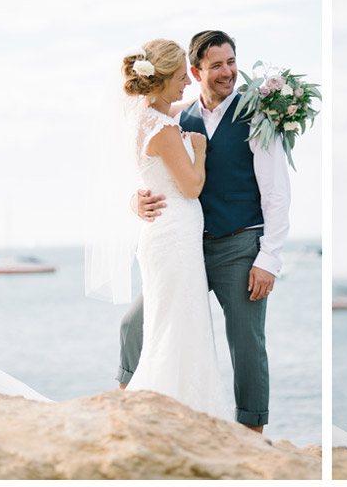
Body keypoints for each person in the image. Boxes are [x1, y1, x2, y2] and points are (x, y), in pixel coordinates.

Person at [121, 26, 290, 435]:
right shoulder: (178, 116)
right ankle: (121, 405)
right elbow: (155, 172)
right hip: (187, 248)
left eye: (231, 62)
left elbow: (276, 193)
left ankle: (251, 435)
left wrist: (268, 258)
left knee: (247, 344)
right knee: (134, 325)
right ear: (194, 72)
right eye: (216, 65)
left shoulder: (256, 115)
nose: (227, 72)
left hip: (239, 246)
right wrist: (135, 201)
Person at [115, 37, 226, 418]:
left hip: (167, 238)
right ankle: (170, 410)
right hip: (175, 239)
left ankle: (167, 407)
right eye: (181, 77)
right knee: (178, 326)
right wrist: (201, 149)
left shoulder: (144, 117)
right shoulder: (162, 128)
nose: (188, 83)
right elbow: (191, 187)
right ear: (160, 81)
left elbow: (150, 178)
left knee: (170, 323)